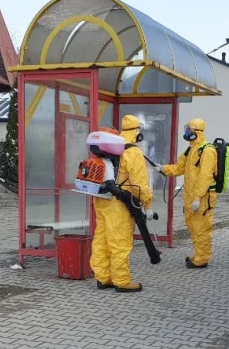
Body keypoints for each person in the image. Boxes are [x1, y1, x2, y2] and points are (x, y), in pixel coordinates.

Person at [90, 115, 153, 293]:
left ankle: (103, 278)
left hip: (102, 200)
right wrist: (147, 202)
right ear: (137, 131)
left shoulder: (109, 147)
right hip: (119, 204)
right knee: (120, 242)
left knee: (101, 240)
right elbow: (140, 184)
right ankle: (122, 281)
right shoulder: (133, 151)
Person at [162, 118, 216, 269]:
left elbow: (205, 176)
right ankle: (198, 254)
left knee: (201, 228)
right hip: (191, 196)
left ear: (197, 131)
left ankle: (202, 259)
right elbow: (179, 168)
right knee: (193, 226)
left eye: (189, 129)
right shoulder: (191, 149)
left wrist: (198, 198)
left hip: (203, 198)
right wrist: (162, 169)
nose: (186, 131)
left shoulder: (207, 150)